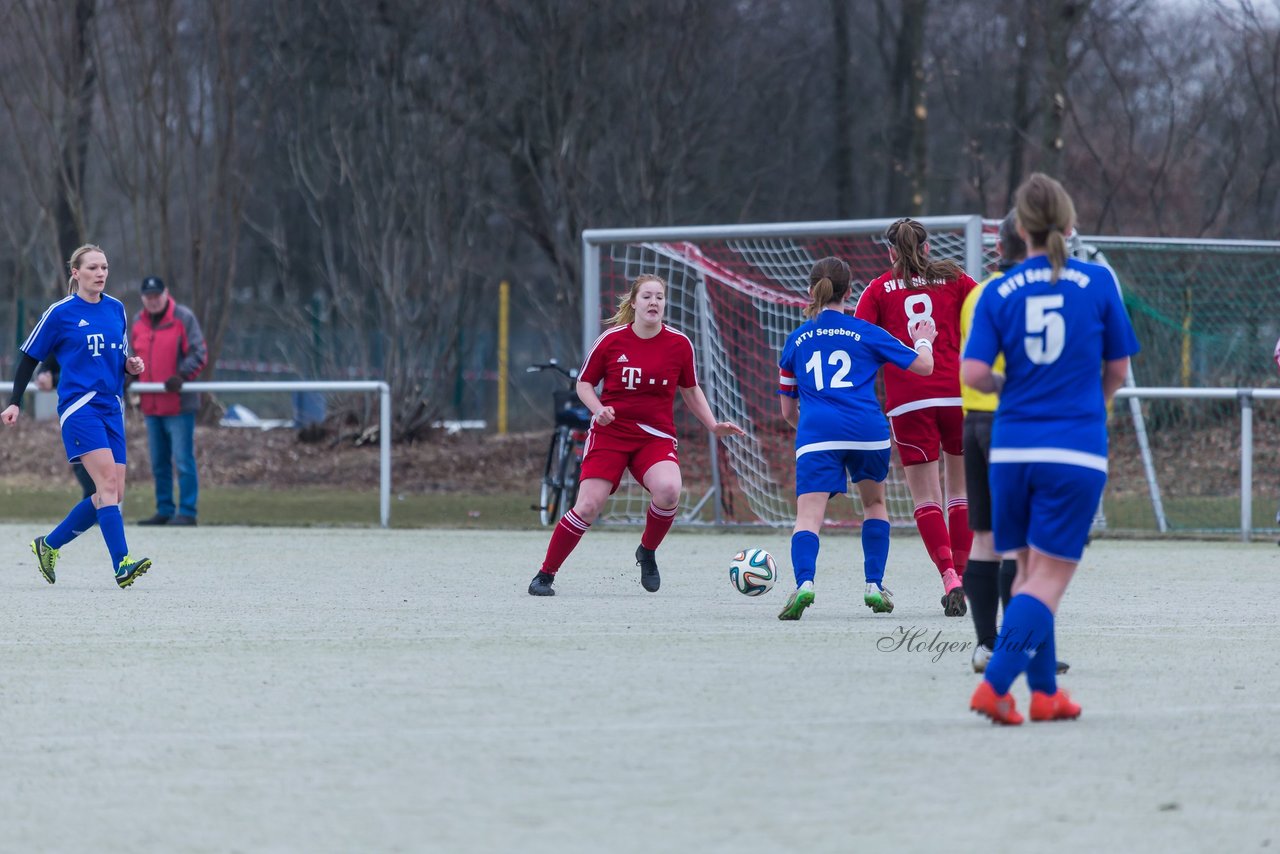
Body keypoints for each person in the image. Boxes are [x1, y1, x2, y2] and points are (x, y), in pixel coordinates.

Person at [962, 173, 1139, 724]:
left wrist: (1005, 386)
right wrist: (1093, 405)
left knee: (1029, 568)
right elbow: (1117, 369)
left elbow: (971, 371)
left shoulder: (996, 290)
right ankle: (995, 685)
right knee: (1050, 578)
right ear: (1070, 225)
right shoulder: (1097, 282)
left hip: (1011, 448)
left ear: (1019, 228)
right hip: (1073, 447)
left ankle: (1044, 693)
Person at [527, 274, 745, 596]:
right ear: (634, 303)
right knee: (588, 505)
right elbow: (584, 384)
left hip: (654, 437)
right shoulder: (611, 340)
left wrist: (713, 425)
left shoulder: (679, 344)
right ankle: (545, 574)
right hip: (611, 434)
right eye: (647, 296)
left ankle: (647, 551)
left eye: (659, 296)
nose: (653, 302)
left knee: (670, 490)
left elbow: (691, 389)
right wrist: (598, 409)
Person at [775, 256, 937, 620]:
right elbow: (924, 367)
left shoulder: (797, 338)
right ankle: (873, 585)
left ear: (810, 289)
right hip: (868, 431)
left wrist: (813, 426)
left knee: (809, 517)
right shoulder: (865, 330)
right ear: (851, 292)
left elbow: (787, 412)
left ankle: (804, 584)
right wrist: (923, 340)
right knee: (874, 506)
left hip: (817, 433)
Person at [1, 244, 154, 589]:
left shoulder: (116, 309)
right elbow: (28, 357)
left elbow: (119, 355)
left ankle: (49, 544)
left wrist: (130, 365)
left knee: (111, 495)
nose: (100, 273)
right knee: (108, 486)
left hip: (111, 406)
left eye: (105, 267)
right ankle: (122, 565)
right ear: (76, 273)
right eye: (93, 267)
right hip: (80, 407)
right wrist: (15, 402)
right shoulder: (61, 312)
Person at [855, 218, 979, 616]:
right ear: (927, 249)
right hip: (958, 396)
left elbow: (859, 345)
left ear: (890, 252)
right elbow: (990, 315)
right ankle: (963, 574)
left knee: (926, 497)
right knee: (961, 492)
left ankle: (949, 576)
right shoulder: (957, 279)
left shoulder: (877, 290)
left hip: (909, 401)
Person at [130, 275, 208, 526]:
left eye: (157, 296)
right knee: (158, 462)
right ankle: (164, 508)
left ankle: (187, 511)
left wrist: (181, 375)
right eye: (148, 297)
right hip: (151, 405)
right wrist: (128, 375)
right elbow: (131, 355)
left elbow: (199, 352)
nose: (153, 301)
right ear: (143, 298)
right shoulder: (137, 322)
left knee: (183, 460)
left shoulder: (183, 318)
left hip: (178, 405)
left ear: (166, 294)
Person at [35, 353, 97, 499]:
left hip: (106, 409)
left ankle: (100, 506)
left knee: (109, 481)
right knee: (84, 464)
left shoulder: (111, 333)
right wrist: (44, 375)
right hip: (78, 412)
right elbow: (46, 364)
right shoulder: (67, 334)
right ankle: (94, 506)